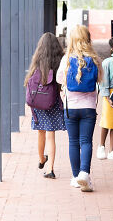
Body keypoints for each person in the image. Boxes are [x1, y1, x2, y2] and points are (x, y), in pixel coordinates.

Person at [56, 25, 101, 191]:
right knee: (86, 141)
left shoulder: (67, 58)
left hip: (71, 107)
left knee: (73, 142)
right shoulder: (94, 58)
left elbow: (59, 79)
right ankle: (84, 174)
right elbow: (98, 78)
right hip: (89, 107)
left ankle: (75, 177)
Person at [24, 32, 66, 179]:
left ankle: (42, 159)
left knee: (40, 132)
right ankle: (50, 169)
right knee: (50, 135)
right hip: (52, 101)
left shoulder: (38, 60)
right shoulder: (60, 60)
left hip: (38, 101)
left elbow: (29, 80)